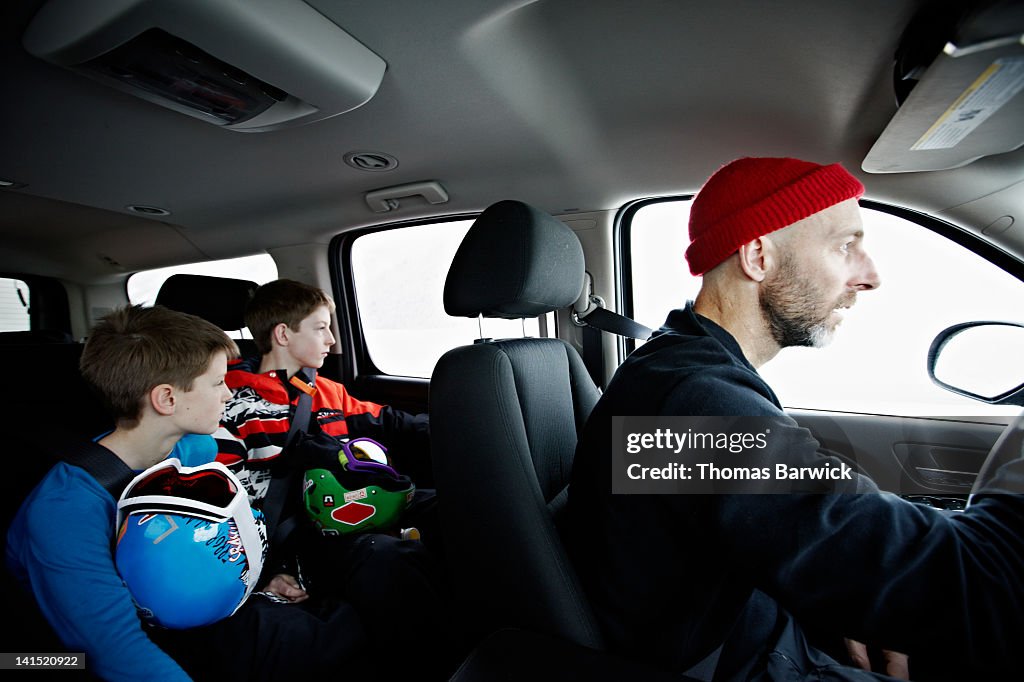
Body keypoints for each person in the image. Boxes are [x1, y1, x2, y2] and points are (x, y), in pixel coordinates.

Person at [566, 157, 1024, 680]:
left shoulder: (684, 374)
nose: (869, 275)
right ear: (758, 255)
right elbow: (983, 587)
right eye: (845, 245)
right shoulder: (688, 410)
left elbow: (814, 524)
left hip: (755, 623)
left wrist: (848, 601)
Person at [6, 305, 373, 681]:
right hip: (59, 656)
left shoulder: (195, 451)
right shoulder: (64, 513)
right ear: (167, 399)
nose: (229, 394)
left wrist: (258, 581)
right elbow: (116, 653)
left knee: (335, 626)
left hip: (172, 610)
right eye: (217, 383)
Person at [213, 278, 458, 677]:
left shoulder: (327, 392)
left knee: (457, 506)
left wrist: (469, 425)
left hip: (348, 512)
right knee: (387, 557)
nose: (332, 340)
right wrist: (262, 573)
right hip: (294, 541)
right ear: (282, 334)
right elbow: (226, 505)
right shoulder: (231, 402)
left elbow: (394, 422)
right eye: (321, 327)